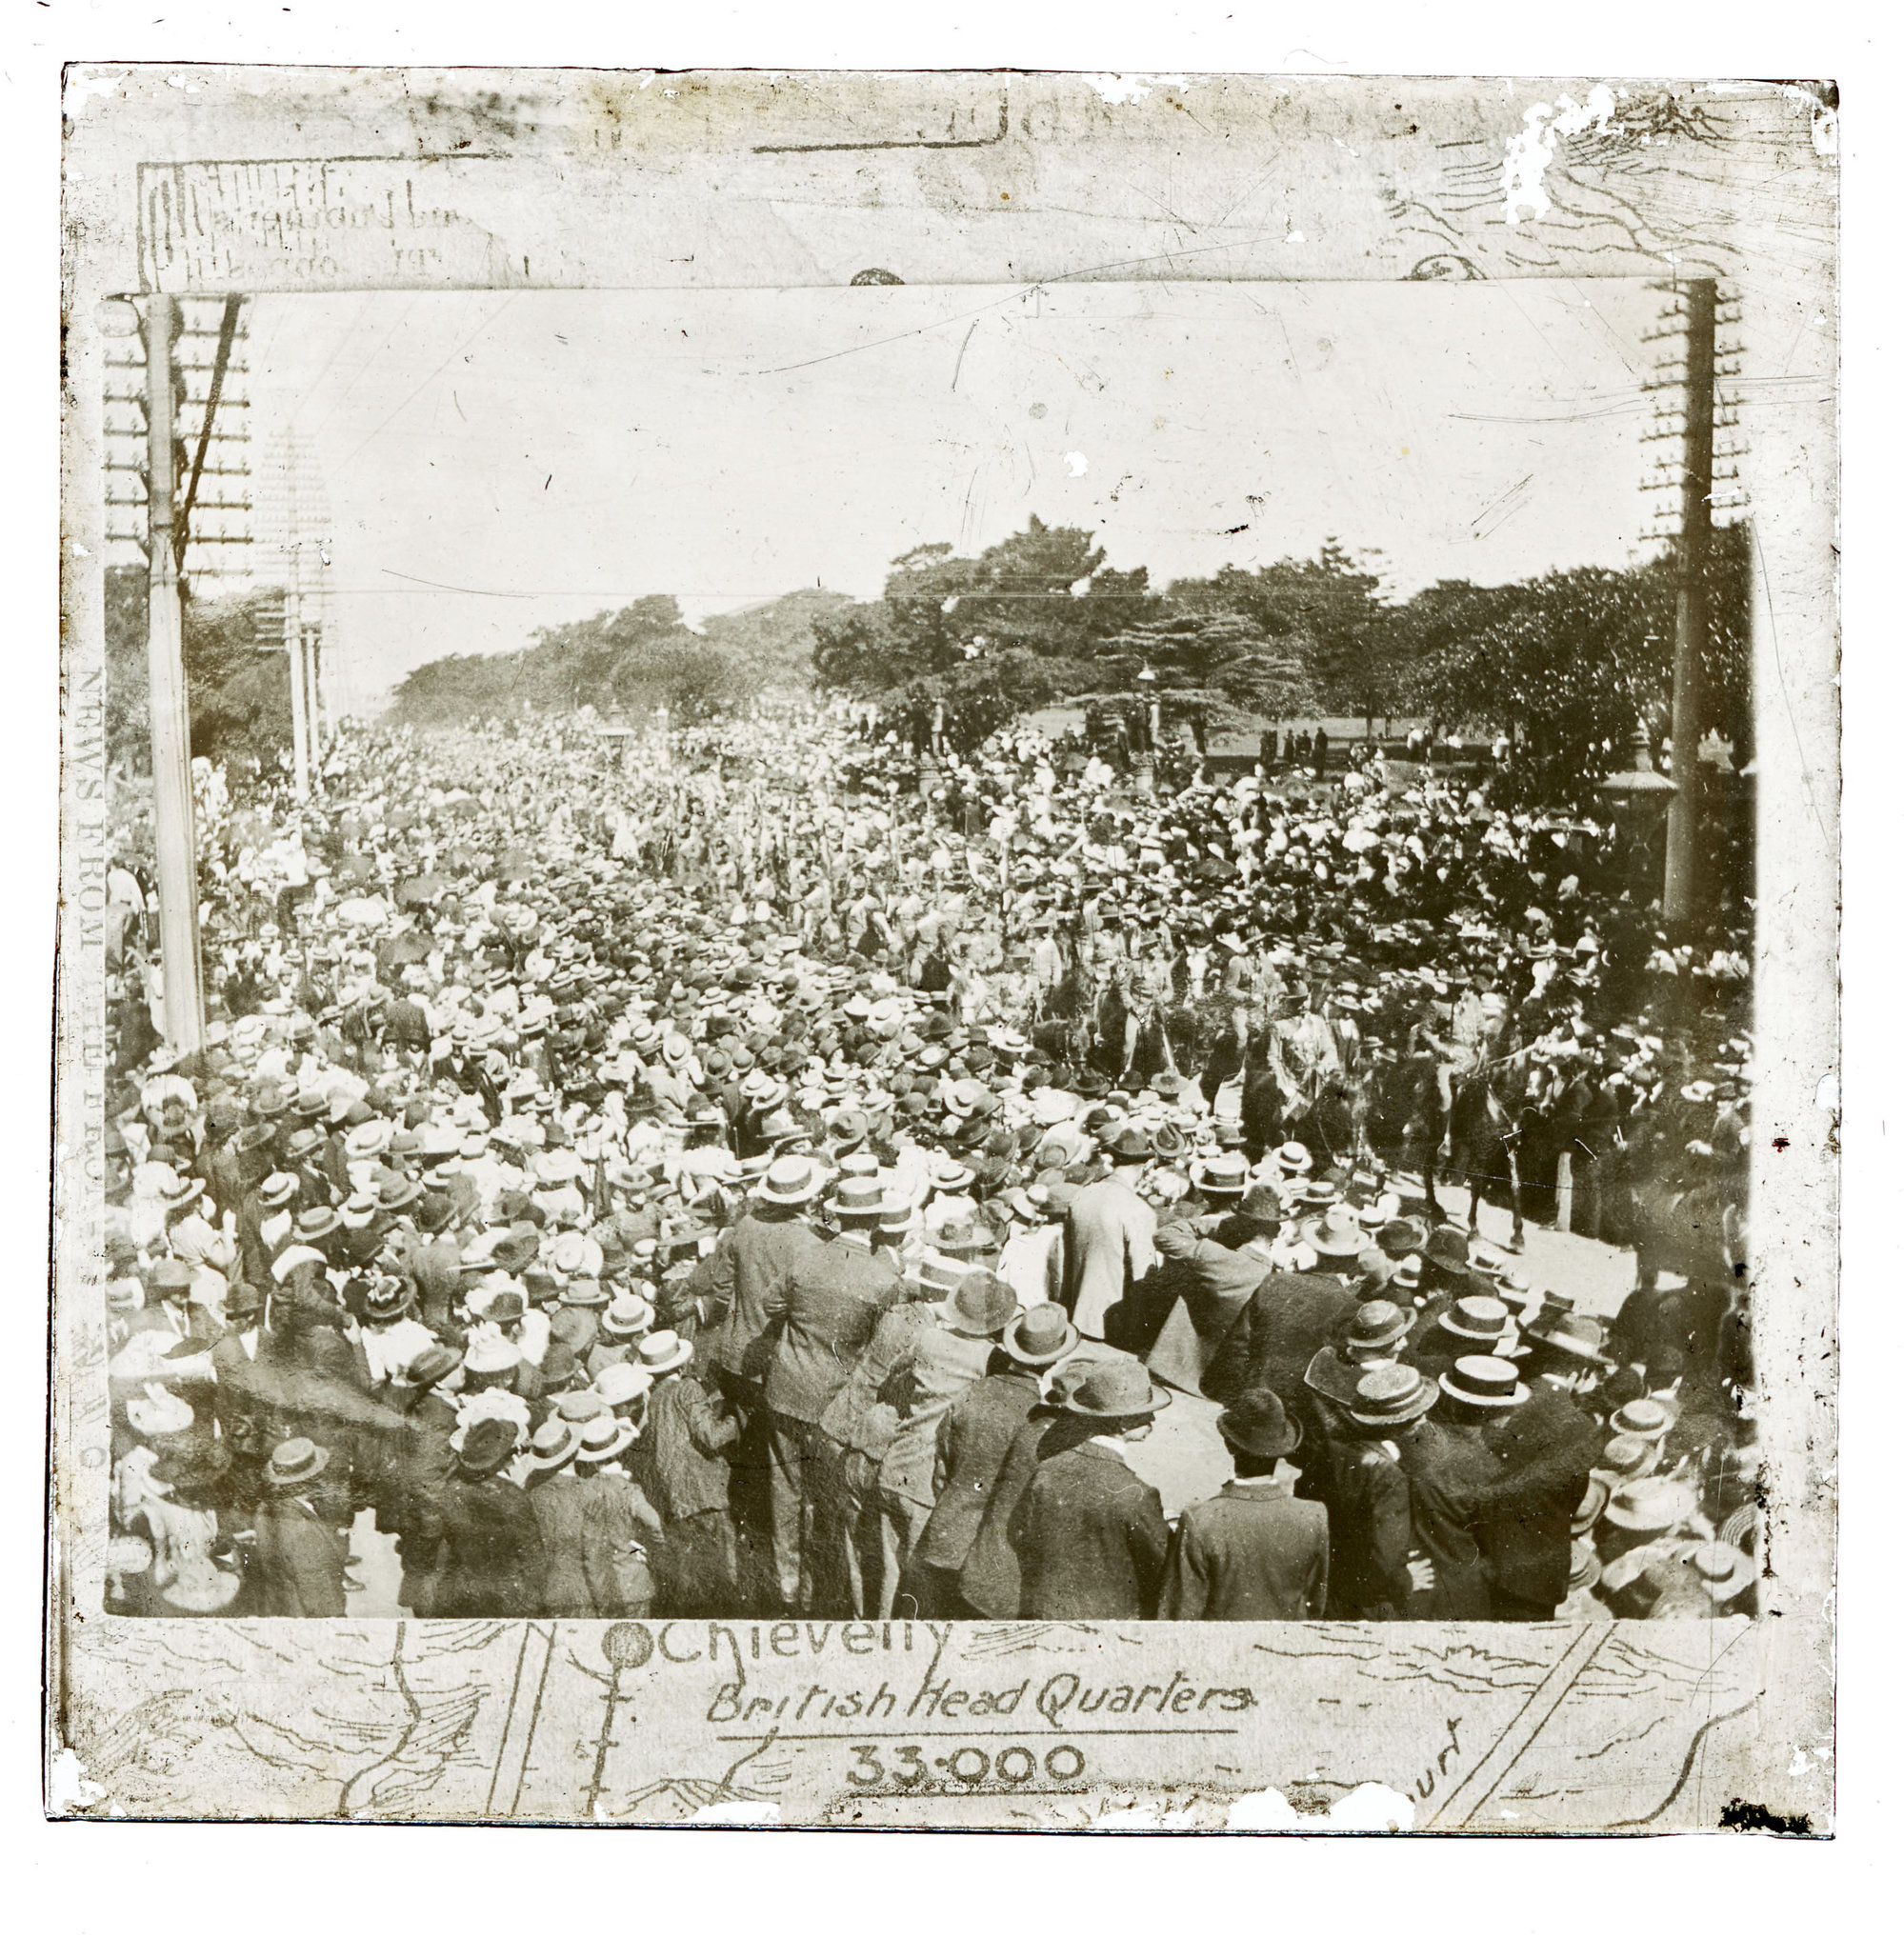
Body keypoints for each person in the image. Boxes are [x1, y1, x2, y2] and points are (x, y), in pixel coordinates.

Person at [906, 1303, 1078, 1616]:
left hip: (943, 1539)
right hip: (988, 1567)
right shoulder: (1039, 1419)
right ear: (1054, 1359)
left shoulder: (973, 1391)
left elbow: (941, 1468)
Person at [1012, 1360, 1172, 1620]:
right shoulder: (1137, 1493)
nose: (1153, 1418)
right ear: (1123, 1422)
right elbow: (1163, 1563)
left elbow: (1021, 1531)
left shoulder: (1048, 1469)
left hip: (1044, 1609)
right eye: (1146, 1413)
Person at [1161, 1389, 1329, 1620]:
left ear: (1229, 1445)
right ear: (1282, 1449)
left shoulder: (1200, 1519)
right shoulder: (1313, 1516)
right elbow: (1315, 1603)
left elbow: (1180, 1613)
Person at [1060, 1128, 1156, 1343]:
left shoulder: (1082, 1195)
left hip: (1075, 1319)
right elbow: (1143, 1280)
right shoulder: (1138, 1209)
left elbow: (1064, 1258)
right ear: (1144, 1166)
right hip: (1112, 1328)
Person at [249, 1438, 351, 1617]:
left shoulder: (265, 1508)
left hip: (281, 1608)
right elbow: (320, 1595)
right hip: (305, 1615)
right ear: (313, 1479)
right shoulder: (303, 1529)